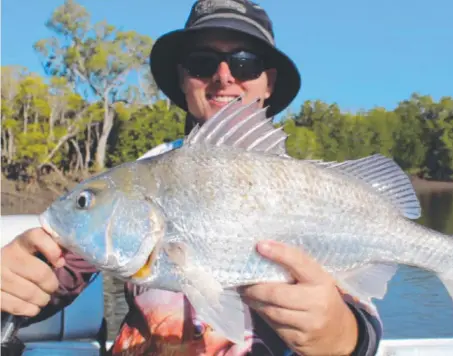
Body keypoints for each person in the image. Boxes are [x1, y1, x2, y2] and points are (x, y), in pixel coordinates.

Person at [0, 1, 383, 355]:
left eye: (246, 63)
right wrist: (12, 285)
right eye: (202, 62)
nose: (224, 76)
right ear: (183, 79)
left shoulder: (315, 190)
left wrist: (340, 334)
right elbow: (55, 274)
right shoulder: (132, 184)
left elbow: (359, 320)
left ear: (268, 82)